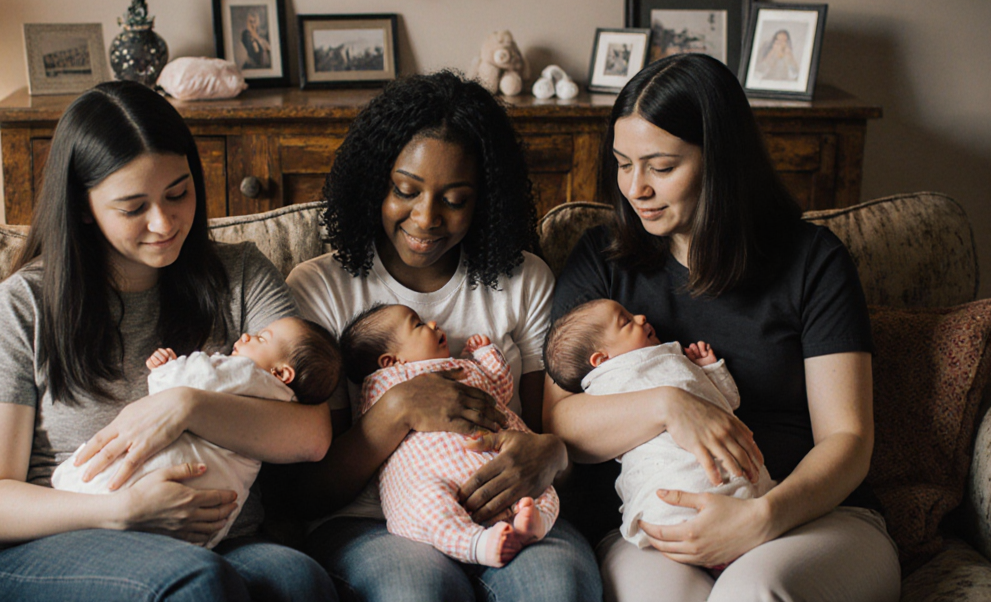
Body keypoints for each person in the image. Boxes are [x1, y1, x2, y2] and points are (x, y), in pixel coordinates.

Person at [0, 80, 337, 602]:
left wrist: (184, 406)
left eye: (178, 193)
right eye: (134, 207)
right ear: (85, 207)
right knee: (198, 585)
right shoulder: (22, 306)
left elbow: (311, 434)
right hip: (62, 542)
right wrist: (121, 512)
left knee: (300, 581)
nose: (164, 222)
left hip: (223, 540)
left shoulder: (242, 275)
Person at [544, 53, 901, 602]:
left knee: (751, 593)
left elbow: (848, 439)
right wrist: (669, 404)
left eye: (661, 167)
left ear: (721, 161)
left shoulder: (814, 262)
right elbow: (562, 421)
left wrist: (763, 516)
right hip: (661, 522)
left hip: (812, 515)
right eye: (622, 163)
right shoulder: (602, 259)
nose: (635, 188)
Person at [285, 71, 601, 601]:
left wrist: (554, 456)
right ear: (373, 183)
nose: (426, 218)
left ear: (485, 201)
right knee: (418, 593)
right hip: (373, 523)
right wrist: (395, 411)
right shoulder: (321, 288)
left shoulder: (522, 280)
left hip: (511, 507)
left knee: (557, 587)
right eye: (405, 191)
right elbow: (305, 492)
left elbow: (545, 430)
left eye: (455, 199)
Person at [51, 316, 340, 549]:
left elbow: (191, 379)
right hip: (204, 533)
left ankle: (75, 483)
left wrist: (167, 370)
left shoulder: (247, 374)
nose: (247, 336)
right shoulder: (285, 404)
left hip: (170, 496)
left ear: (281, 374)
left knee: (111, 469)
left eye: (262, 338)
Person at [543, 298, 773, 551]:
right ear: (602, 360)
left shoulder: (674, 359)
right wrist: (668, 403)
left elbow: (724, 404)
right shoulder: (606, 386)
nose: (641, 317)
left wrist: (709, 370)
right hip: (668, 480)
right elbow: (574, 425)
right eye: (626, 322)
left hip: (733, 479)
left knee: (738, 486)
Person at [342, 304, 559, 567]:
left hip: (503, 463)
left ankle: (534, 522)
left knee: (544, 491)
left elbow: (500, 386)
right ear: (391, 361)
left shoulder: (464, 367)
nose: (433, 324)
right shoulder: (383, 383)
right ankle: (476, 543)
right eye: (418, 325)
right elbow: (371, 425)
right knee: (427, 502)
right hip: (435, 474)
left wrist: (484, 352)